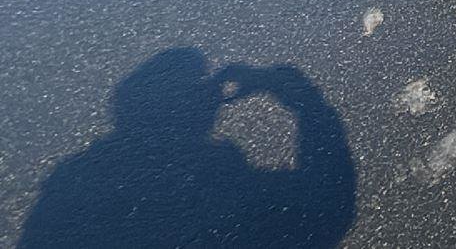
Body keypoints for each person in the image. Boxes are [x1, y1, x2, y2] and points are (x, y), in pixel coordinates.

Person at [20, 48, 356, 249]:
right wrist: (300, 96)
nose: (212, 91)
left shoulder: (72, 186)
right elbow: (328, 209)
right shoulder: (217, 193)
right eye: (202, 85)